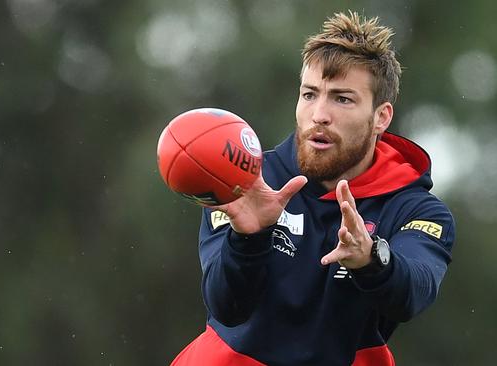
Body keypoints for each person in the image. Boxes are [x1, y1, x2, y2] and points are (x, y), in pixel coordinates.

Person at [171, 11, 455, 366]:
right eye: (309, 94)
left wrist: (371, 260)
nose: (319, 113)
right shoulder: (247, 179)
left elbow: (413, 293)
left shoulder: (418, 211)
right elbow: (227, 308)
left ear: (381, 116)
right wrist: (248, 239)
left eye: (342, 99)